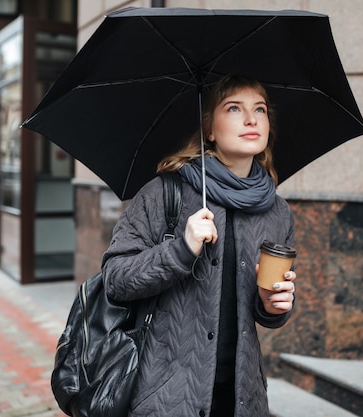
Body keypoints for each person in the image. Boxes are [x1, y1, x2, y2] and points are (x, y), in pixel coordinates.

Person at [101, 74, 297, 417]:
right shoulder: (165, 193)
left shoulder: (277, 211)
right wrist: (181, 248)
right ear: (209, 129)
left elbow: (263, 311)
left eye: (260, 110)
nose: (251, 119)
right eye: (234, 108)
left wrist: (273, 305)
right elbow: (115, 279)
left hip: (242, 399)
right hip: (167, 397)